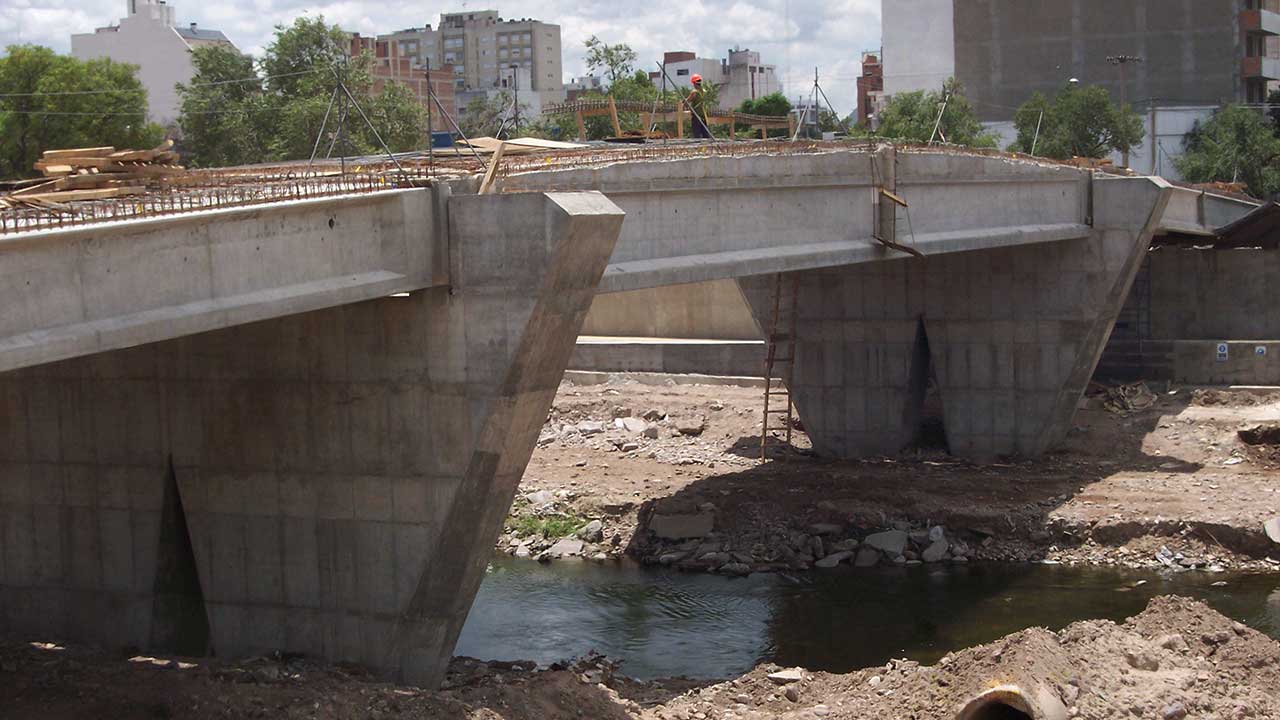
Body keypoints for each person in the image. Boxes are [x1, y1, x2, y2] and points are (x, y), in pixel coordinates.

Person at [685, 74, 712, 139]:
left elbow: (686, 102)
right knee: (705, 135)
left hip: (696, 116)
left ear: (694, 83)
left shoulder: (694, 92)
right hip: (704, 115)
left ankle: (699, 145)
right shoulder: (704, 91)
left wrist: (683, 104)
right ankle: (706, 145)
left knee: (697, 135)